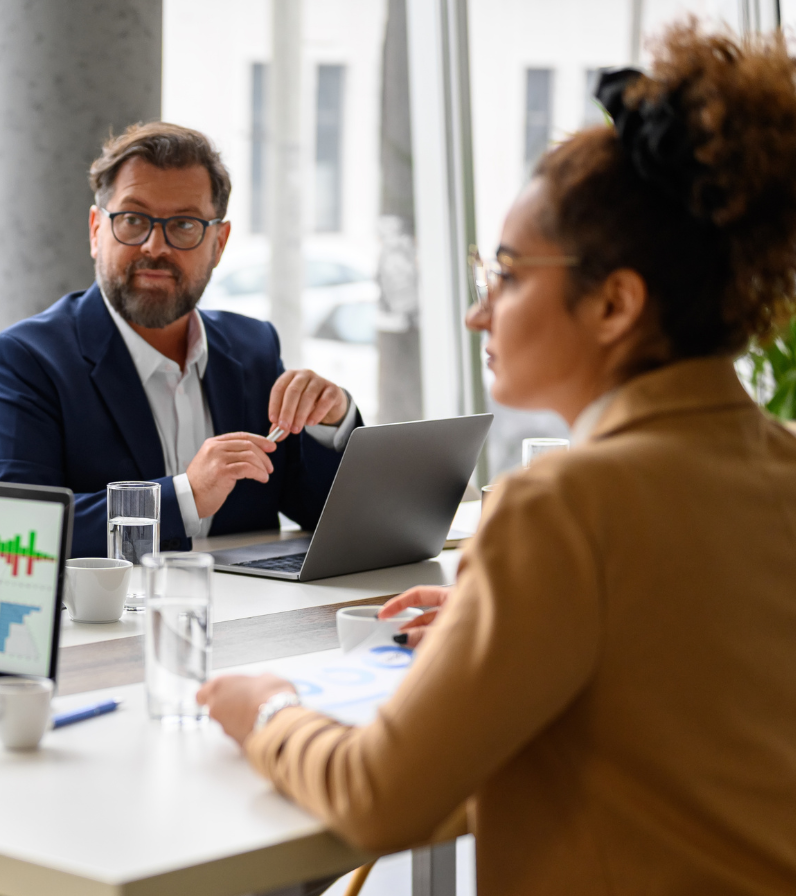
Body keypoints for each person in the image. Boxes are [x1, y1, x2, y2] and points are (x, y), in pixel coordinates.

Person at [199, 24, 796, 894]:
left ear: (615, 304)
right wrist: (515, 617)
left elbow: (379, 800)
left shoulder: (569, 503)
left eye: (507, 276)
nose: (480, 314)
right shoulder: (776, 464)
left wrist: (268, 713)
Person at [0, 122, 362, 557]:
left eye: (185, 224)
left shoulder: (254, 348)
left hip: (260, 619)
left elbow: (333, 517)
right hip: (116, 624)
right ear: (97, 230)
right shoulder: (25, 361)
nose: (155, 246)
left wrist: (332, 421)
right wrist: (185, 496)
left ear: (219, 243)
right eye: (133, 220)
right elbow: (9, 532)